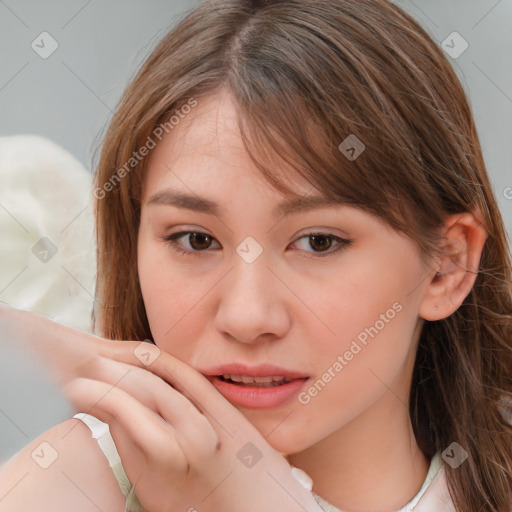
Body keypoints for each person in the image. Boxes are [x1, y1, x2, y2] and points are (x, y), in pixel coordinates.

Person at [0, 0, 511, 511]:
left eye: (318, 242)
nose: (246, 318)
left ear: (446, 266)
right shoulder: (65, 486)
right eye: (195, 240)